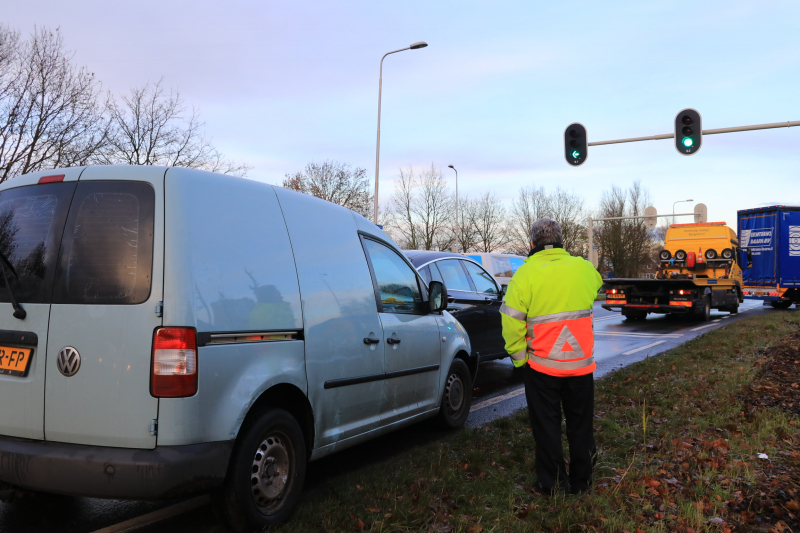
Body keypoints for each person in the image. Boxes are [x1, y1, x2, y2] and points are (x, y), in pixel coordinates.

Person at [500, 218, 603, 495]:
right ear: (561, 242)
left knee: (547, 427)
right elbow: (595, 287)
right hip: (581, 365)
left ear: (532, 244)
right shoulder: (584, 268)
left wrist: (521, 360)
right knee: (581, 425)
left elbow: (511, 323)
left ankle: (554, 485)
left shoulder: (524, 275)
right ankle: (582, 482)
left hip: (542, 366)